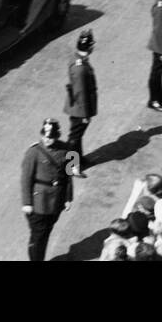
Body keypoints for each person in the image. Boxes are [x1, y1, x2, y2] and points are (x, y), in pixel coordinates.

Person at [20, 118, 74, 262]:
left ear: (57, 136)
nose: (47, 139)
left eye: (50, 137)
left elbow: (69, 175)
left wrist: (68, 198)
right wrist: (27, 203)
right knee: (38, 237)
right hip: (39, 202)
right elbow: (26, 179)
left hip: (57, 200)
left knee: (45, 233)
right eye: (45, 136)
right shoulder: (33, 152)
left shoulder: (67, 149)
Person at [64, 29, 98, 174]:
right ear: (89, 47)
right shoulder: (80, 68)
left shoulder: (78, 60)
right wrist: (85, 114)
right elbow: (81, 93)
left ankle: (79, 159)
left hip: (78, 106)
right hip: (80, 108)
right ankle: (72, 166)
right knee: (74, 137)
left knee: (77, 136)